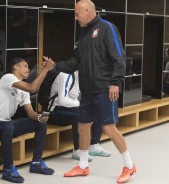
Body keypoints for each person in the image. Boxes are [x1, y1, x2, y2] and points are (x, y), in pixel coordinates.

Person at [46, 1, 136, 183]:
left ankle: (129, 165)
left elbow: (119, 57)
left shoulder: (107, 28)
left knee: (109, 128)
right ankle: (83, 166)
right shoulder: (84, 33)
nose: (75, 17)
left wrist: (115, 82)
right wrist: (55, 66)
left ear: (87, 11)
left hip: (105, 89)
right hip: (87, 90)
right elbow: (75, 62)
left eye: (77, 13)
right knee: (83, 126)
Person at [0, 57, 55, 183]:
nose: (28, 69)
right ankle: (8, 169)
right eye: (25, 66)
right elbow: (33, 88)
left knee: (40, 124)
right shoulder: (8, 78)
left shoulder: (23, 91)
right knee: (8, 125)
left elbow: (30, 113)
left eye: (28, 67)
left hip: (7, 125)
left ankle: (36, 162)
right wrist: (45, 69)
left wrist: (40, 117)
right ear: (15, 67)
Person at [47, 71, 112, 162]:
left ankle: (94, 144)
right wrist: (82, 106)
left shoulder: (84, 79)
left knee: (97, 110)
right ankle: (77, 150)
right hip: (56, 112)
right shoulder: (65, 75)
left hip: (72, 109)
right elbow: (62, 100)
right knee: (81, 113)